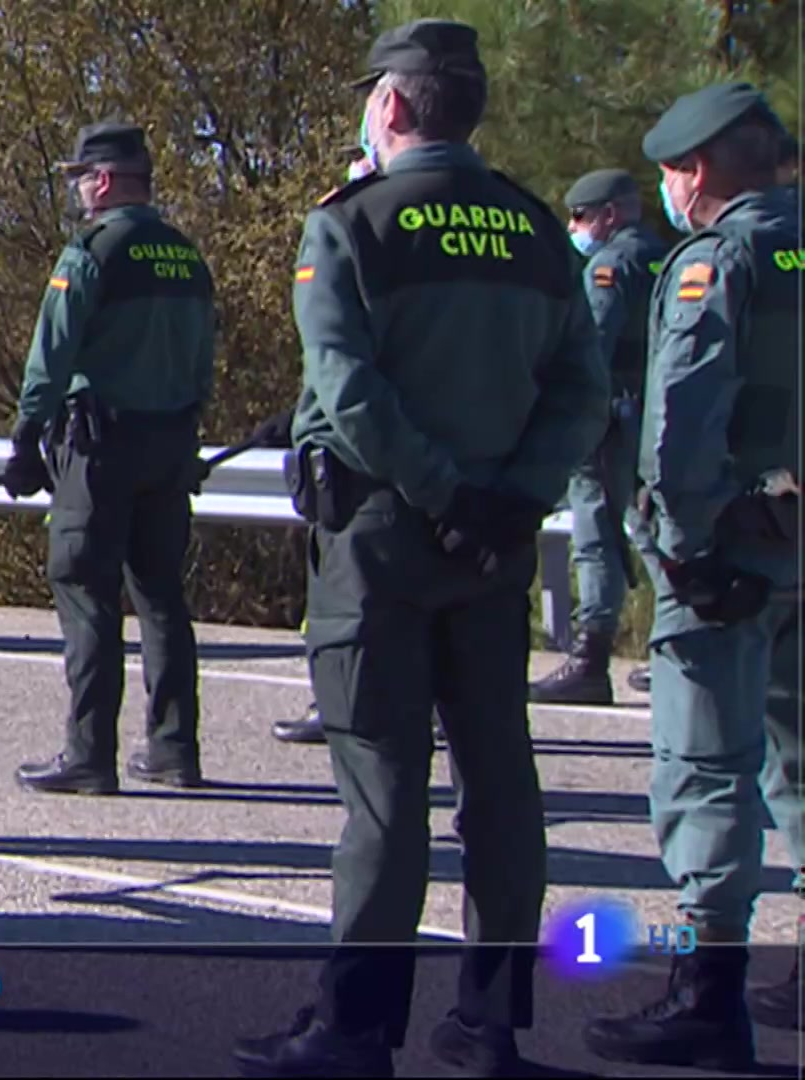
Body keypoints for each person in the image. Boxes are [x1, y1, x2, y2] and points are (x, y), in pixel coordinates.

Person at [232, 21, 608, 1077]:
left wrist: (442, 494)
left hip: (386, 542)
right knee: (500, 781)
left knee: (385, 791)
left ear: (391, 106)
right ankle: (490, 1026)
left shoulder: (353, 225)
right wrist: (508, 500)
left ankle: (355, 1032)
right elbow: (584, 395)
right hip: (495, 548)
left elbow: (349, 392)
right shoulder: (536, 231)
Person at [584, 86, 802, 1068]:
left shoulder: (719, 260)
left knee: (708, 764)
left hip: (733, 550)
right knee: (799, 757)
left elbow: (680, 419)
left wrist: (681, 545)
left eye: (673, 173)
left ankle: (709, 993)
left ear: (698, 171)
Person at [3, 121, 216, 795]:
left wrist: (25, 435)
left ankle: (88, 752)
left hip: (99, 450)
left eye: (78, 181)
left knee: (86, 590)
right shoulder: (185, 254)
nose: (75, 195)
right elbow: (203, 359)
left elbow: (53, 351)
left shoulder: (92, 251)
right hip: (169, 443)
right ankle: (174, 748)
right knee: (161, 598)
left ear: (101, 180)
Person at [527, 169, 670, 704]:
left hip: (608, 418)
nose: (575, 227)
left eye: (582, 217)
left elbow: (593, 351)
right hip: (654, 415)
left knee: (598, 535)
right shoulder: (667, 257)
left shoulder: (609, 267)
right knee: (651, 527)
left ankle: (590, 658)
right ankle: (677, 647)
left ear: (609, 215)